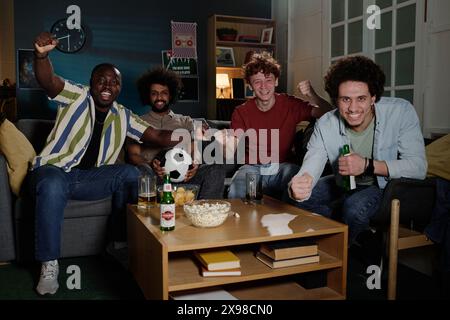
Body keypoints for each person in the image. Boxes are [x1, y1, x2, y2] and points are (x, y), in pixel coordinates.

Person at [31, 32, 180, 295]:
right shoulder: (75, 96)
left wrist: (192, 133)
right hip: (56, 171)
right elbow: (49, 81)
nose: (107, 85)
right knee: (53, 185)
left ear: (119, 88)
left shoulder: (123, 115)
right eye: (101, 80)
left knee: (130, 174)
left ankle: (120, 245)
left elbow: (156, 136)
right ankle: (49, 263)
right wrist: (42, 56)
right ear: (92, 83)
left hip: (92, 179)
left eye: (114, 82)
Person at [289, 55, 427, 246]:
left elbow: (418, 168)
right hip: (343, 184)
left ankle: (352, 253)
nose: (353, 108)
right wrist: (301, 183)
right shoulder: (326, 123)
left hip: (384, 187)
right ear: (336, 99)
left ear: (373, 97)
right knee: (298, 199)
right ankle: (342, 240)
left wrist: (368, 165)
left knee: (354, 208)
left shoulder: (401, 111)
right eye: (345, 99)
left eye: (361, 98)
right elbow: (311, 164)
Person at [225, 52, 332, 200]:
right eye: (257, 82)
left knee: (298, 184)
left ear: (276, 81)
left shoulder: (290, 104)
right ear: (249, 85)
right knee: (239, 189)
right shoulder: (241, 112)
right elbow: (232, 145)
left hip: (283, 167)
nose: (263, 86)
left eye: (268, 80)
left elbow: (329, 115)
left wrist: (312, 94)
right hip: (252, 167)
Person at [127, 66, 226, 198]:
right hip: (156, 179)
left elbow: (202, 142)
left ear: (171, 95)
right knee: (142, 170)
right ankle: (150, 215)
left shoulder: (186, 121)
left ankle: (203, 214)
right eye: (154, 93)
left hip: (187, 179)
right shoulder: (137, 122)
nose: (159, 97)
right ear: (147, 95)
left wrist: (195, 164)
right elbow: (133, 154)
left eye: (164, 93)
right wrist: (151, 165)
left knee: (216, 167)